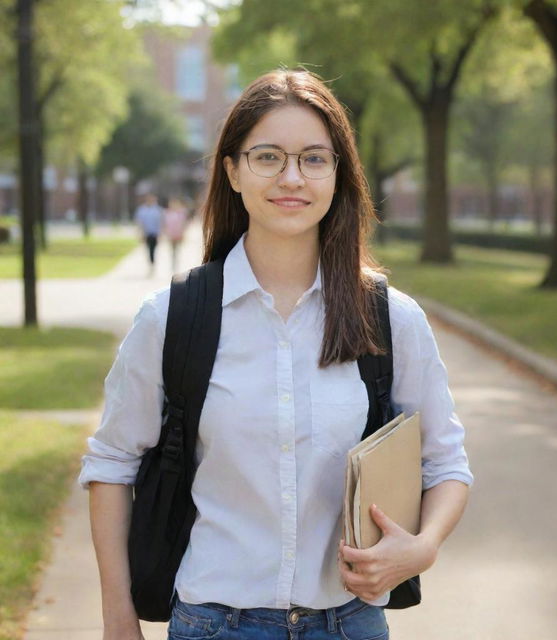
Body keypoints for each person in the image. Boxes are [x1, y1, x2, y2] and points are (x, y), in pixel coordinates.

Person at [79, 69, 473, 640]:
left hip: (351, 624)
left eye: (314, 158)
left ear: (339, 175)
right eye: (268, 156)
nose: (292, 177)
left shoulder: (391, 319)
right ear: (233, 170)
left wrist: (423, 547)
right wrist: (120, 622)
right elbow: (111, 466)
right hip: (213, 623)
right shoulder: (173, 317)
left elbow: (446, 463)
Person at [134, 193, 163, 275]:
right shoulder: (142, 210)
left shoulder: (158, 210)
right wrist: (139, 233)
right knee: (148, 249)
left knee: (153, 249)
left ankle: (152, 264)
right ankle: (150, 264)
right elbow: (139, 222)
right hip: (146, 233)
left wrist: (160, 234)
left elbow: (160, 223)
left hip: (155, 234)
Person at [163, 197, 190, 273]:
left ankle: (176, 264)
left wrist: (183, 233)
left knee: (177, 250)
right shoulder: (167, 213)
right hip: (171, 235)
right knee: (172, 250)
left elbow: (184, 224)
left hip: (179, 235)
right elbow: (165, 224)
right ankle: (173, 264)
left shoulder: (181, 213)